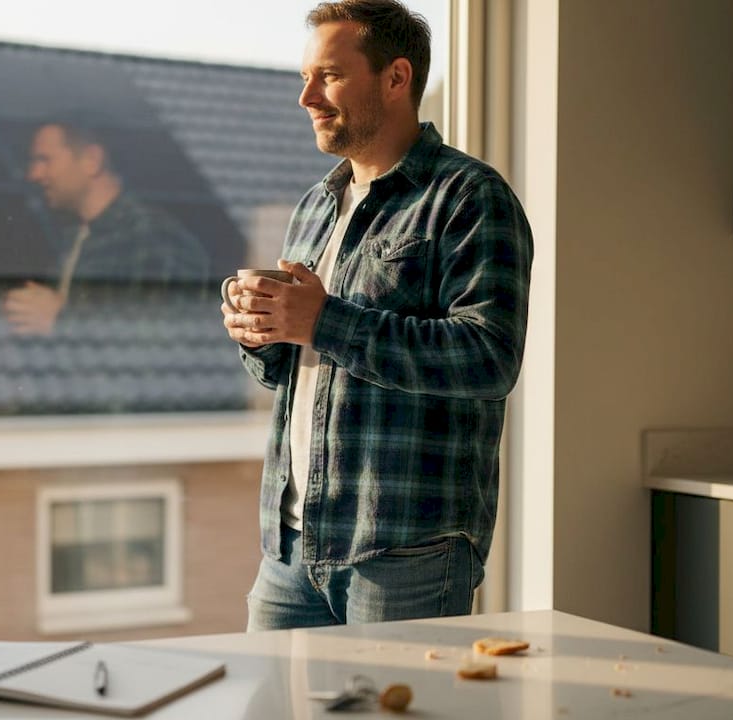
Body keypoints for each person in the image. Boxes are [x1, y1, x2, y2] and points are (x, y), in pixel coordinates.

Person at [221, 0, 533, 630]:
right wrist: (261, 333)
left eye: (329, 76)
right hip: (290, 544)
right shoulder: (316, 204)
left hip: (406, 551)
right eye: (307, 76)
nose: (306, 96)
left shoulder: (470, 197)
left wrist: (322, 321)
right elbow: (293, 367)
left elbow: (488, 357)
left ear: (396, 78)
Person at [4, 120, 209, 336]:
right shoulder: (75, 236)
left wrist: (61, 320)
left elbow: (166, 338)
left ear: (92, 160)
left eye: (44, 160)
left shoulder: (151, 235)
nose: (33, 174)